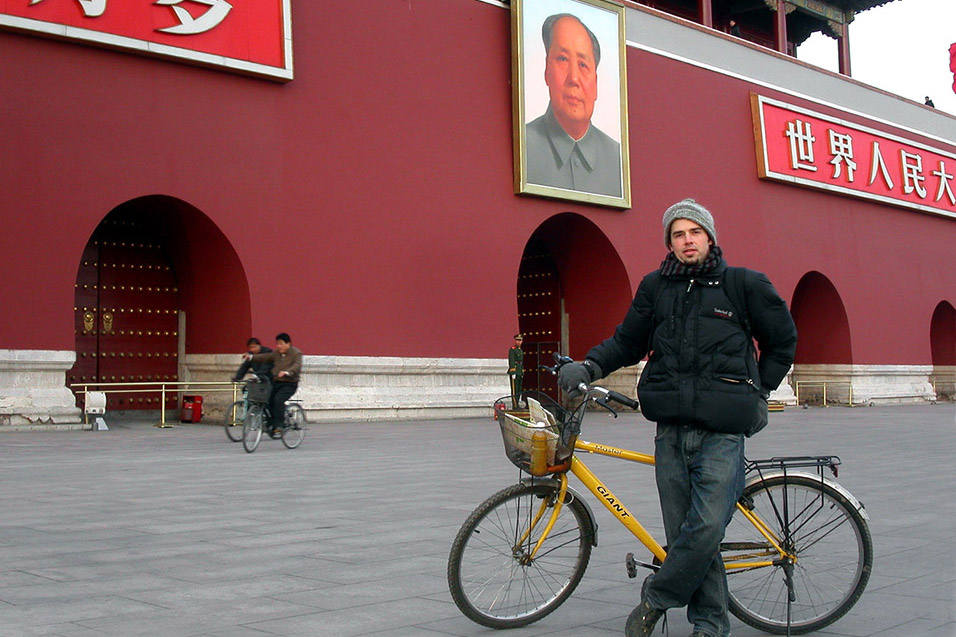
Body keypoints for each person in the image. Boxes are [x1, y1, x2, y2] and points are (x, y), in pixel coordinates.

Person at [558, 199, 797, 637]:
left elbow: (783, 341)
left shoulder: (742, 285)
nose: (687, 241)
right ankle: (710, 625)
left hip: (722, 431)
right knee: (688, 535)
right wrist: (589, 366)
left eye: (694, 232)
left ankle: (658, 596)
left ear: (710, 237)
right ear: (669, 242)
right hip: (669, 431)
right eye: (678, 234)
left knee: (704, 528)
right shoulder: (656, 288)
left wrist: (761, 393)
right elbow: (628, 341)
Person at [525, 13, 622, 198]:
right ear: (547, 71)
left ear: (596, 83)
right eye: (562, 59)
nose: (574, 79)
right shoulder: (524, 146)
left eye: (583, 65)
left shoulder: (617, 160)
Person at [246, 333, 303, 435]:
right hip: (276, 382)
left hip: (290, 383)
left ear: (288, 343)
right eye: (277, 344)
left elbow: (296, 366)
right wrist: (251, 357)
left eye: (281, 343)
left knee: (278, 400)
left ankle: (279, 425)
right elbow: (265, 357)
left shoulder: (296, 353)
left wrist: (287, 372)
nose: (278, 346)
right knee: (267, 400)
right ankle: (272, 423)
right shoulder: (276, 353)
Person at [508, 334, 525, 408]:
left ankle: (517, 403)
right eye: (518, 340)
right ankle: (514, 405)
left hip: (519, 370)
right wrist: (513, 371)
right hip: (515, 371)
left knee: (519, 388)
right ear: (515, 341)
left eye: (520, 340)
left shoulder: (520, 350)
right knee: (514, 389)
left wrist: (521, 371)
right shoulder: (512, 349)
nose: (519, 342)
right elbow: (511, 360)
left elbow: (521, 362)